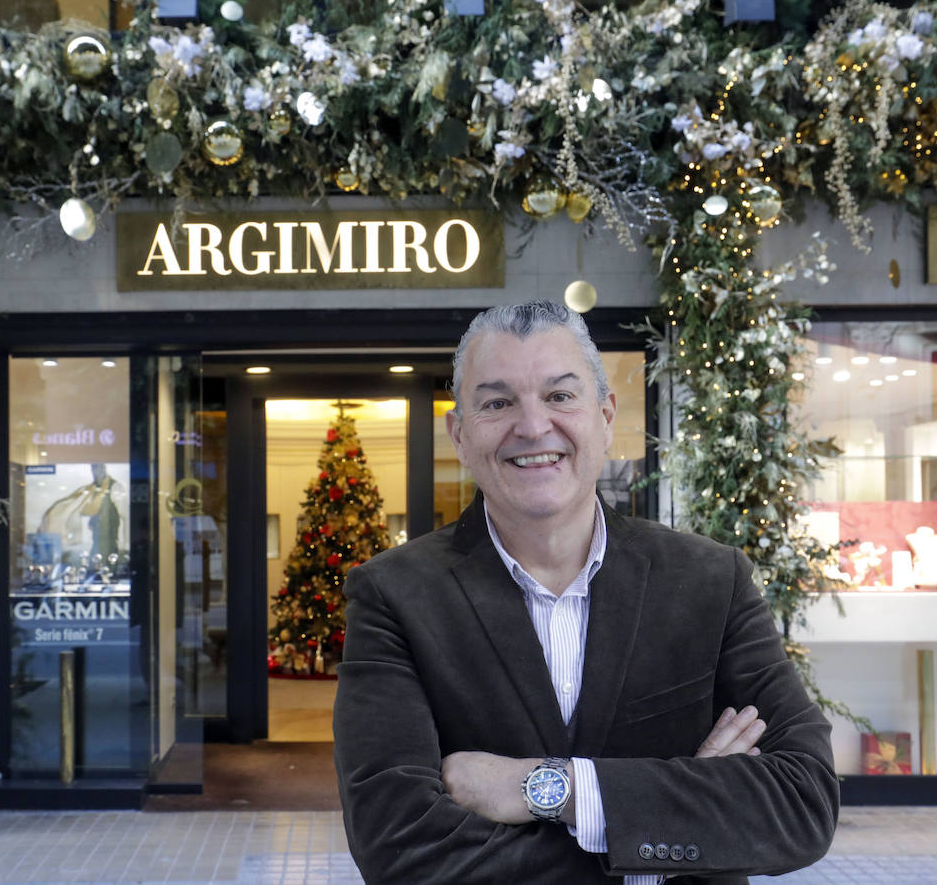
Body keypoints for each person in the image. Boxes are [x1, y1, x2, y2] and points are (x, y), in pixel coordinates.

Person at [333, 300, 838, 883]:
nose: (532, 426)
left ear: (605, 417)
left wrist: (552, 790)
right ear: (460, 435)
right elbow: (396, 845)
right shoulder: (392, 595)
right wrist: (671, 822)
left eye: (559, 396)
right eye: (497, 403)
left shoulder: (709, 580)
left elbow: (804, 802)